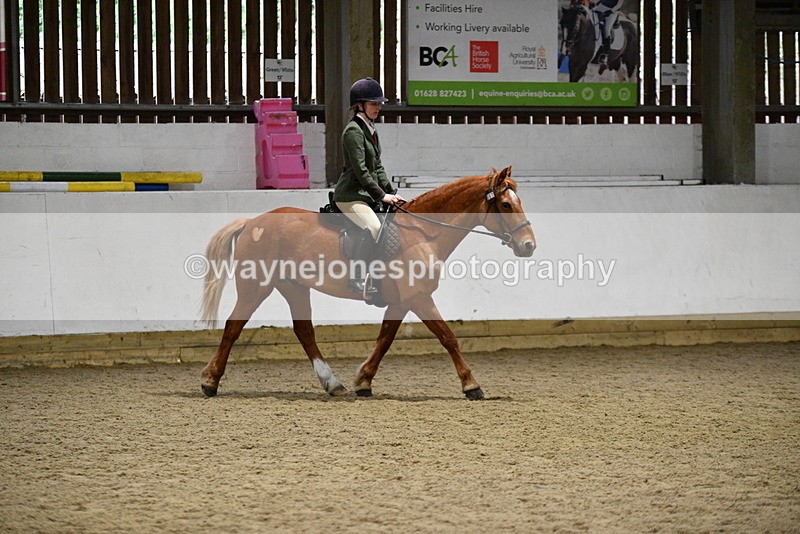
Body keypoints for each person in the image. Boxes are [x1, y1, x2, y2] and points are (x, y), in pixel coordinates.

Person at [333, 77, 404, 298]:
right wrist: (381, 196)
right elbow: (362, 171)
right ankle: (356, 277)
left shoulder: (370, 129)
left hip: (366, 195)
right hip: (351, 196)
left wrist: (392, 193)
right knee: (374, 227)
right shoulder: (353, 131)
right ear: (360, 105)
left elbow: (378, 167)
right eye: (374, 104)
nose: (379, 107)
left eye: (379, 104)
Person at [593, 0, 624, 65]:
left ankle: (605, 54)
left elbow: (619, 4)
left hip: (612, 11)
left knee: (606, 29)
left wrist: (611, 11)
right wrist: (593, 3)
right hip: (601, 7)